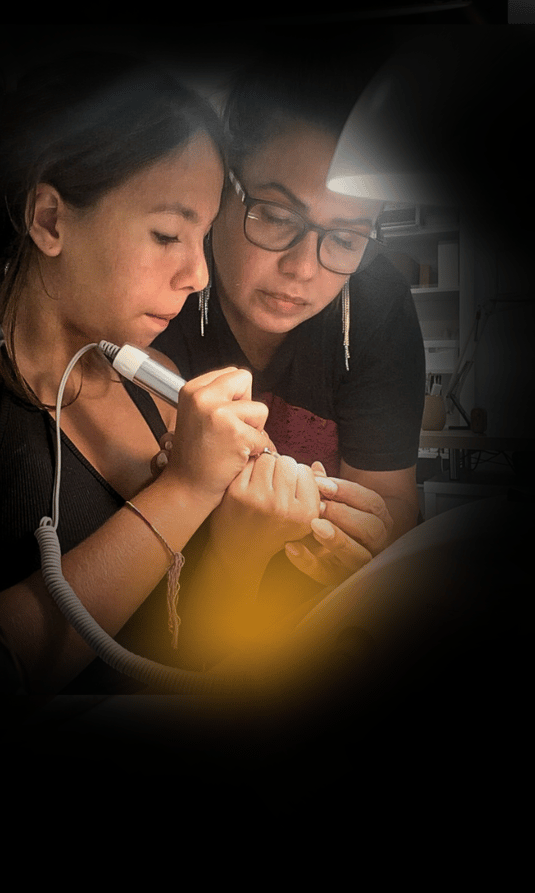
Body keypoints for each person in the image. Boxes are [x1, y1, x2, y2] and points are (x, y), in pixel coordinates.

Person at [0, 52, 326, 694]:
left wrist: (248, 542)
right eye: (167, 235)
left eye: (203, 237)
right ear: (50, 220)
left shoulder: (155, 381)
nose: (199, 277)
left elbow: (188, 654)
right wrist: (184, 489)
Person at [155, 48, 425, 595]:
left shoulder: (376, 302)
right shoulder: (164, 285)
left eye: (345, 239)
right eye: (277, 217)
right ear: (221, 189)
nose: (303, 269)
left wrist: (363, 537)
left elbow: (393, 500)